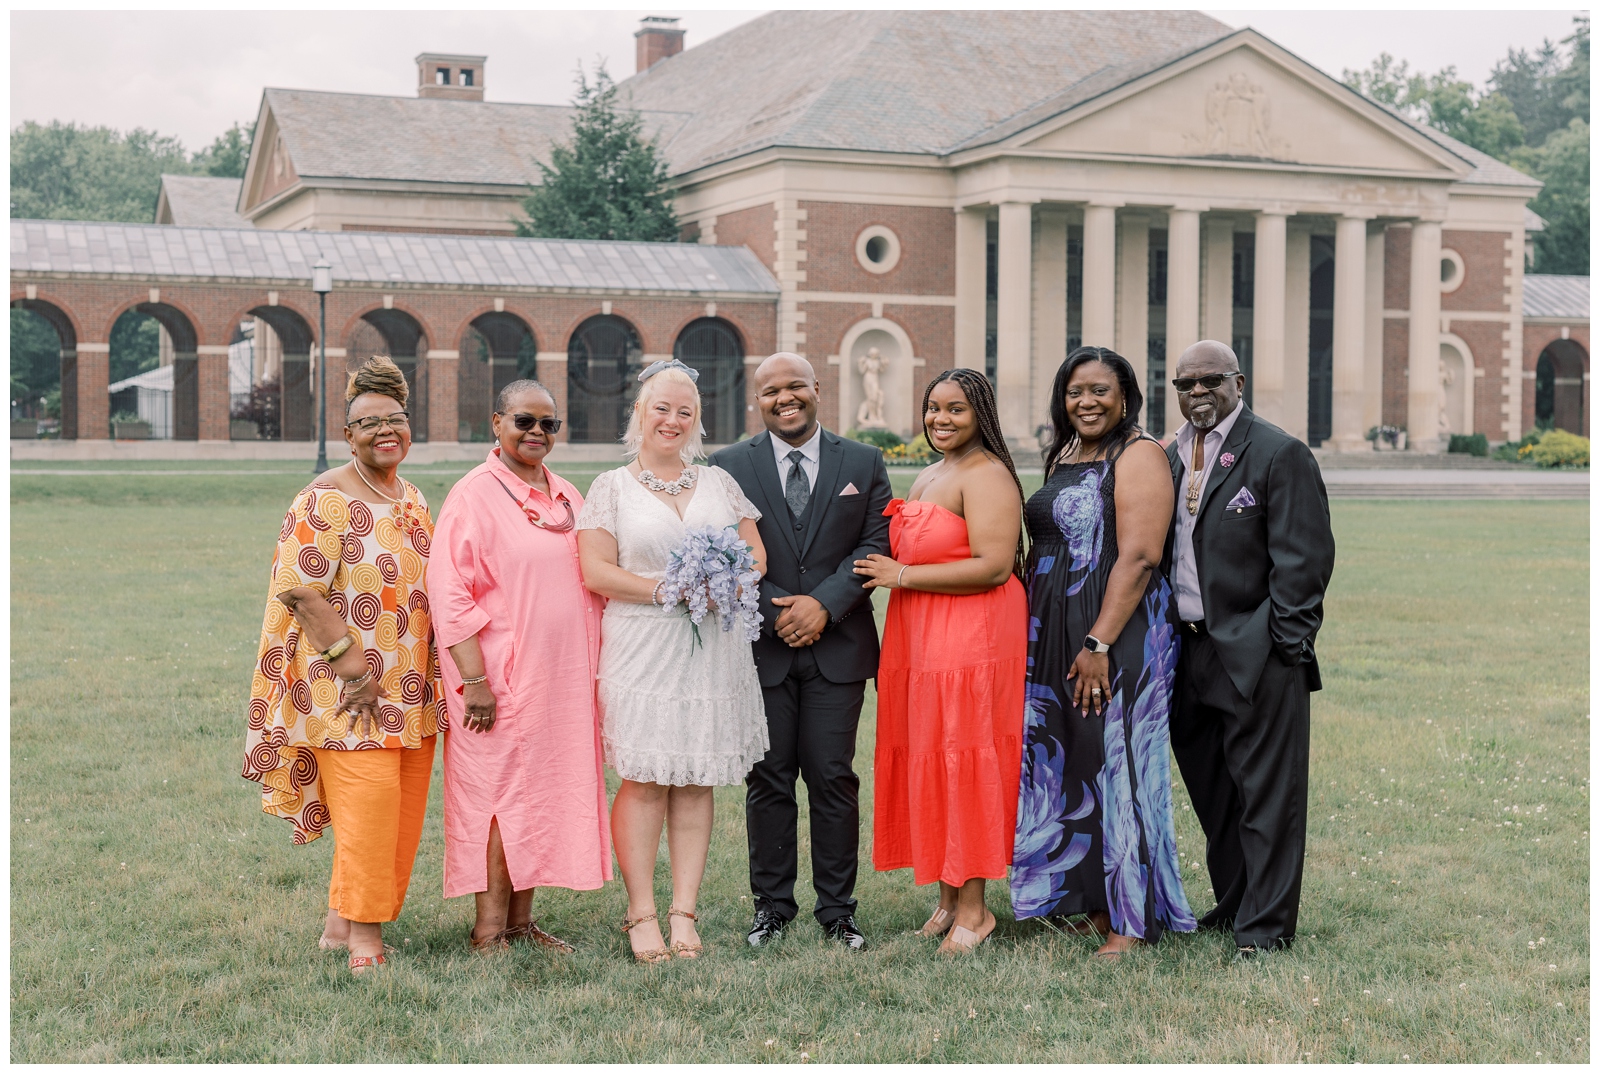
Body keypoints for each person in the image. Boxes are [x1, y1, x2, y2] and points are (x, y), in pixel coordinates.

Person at [243, 355, 445, 976]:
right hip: (347, 690)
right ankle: (364, 941)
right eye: (369, 423)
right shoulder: (324, 500)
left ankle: (341, 924)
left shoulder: (410, 497)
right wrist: (354, 669)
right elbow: (301, 592)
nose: (386, 431)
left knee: (402, 814)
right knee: (369, 809)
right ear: (348, 435)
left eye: (396, 420)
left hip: (410, 689)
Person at [576, 359, 771, 963]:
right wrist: (668, 588)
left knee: (694, 779)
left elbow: (757, 556)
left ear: (697, 422)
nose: (673, 420)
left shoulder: (718, 485)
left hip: (713, 648)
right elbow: (596, 570)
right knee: (645, 778)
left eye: (685, 411)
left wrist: (726, 577)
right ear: (639, 412)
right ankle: (641, 913)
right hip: (643, 646)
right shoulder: (611, 486)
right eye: (662, 408)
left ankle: (684, 912)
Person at [1009, 347, 1196, 958]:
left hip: (1114, 631)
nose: (1086, 403)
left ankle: (1133, 917)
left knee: (1119, 765)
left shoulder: (1139, 456)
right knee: (1074, 763)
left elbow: (1139, 556)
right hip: (1053, 632)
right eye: (1074, 392)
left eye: (1099, 391)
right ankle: (1091, 901)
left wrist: (1099, 643)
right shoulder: (1067, 454)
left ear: (1126, 397)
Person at [710, 353, 892, 952]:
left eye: (794, 387)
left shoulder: (862, 461)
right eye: (769, 392)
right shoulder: (729, 466)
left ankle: (838, 911)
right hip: (764, 647)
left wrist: (823, 606)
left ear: (817, 390)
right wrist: (778, 610)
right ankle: (772, 908)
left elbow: (872, 543)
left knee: (834, 778)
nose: (783, 399)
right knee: (768, 779)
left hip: (839, 645)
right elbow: (723, 552)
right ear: (756, 401)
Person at [1162, 339, 1335, 959]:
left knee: (1267, 795)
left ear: (1238, 381)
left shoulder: (1279, 452)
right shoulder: (1168, 455)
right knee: (1215, 793)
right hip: (1185, 652)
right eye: (1185, 383)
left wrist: (1283, 646)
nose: (1197, 392)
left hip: (1256, 652)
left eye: (1210, 380)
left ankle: (1265, 930)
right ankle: (1234, 902)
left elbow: (1305, 560)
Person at [427, 379, 610, 954]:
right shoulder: (473, 496)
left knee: (545, 794)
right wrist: (474, 680)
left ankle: (521, 922)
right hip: (496, 680)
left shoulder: (566, 495)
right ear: (497, 424)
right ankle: (487, 931)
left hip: (562, 681)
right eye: (524, 422)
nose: (536, 433)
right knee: (499, 801)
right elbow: (449, 593)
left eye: (548, 424)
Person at [854, 367, 1027, 955]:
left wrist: (900, 575)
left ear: (981, 413)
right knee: (935, 752)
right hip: (921, 636)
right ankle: (949, 898)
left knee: (965, 758)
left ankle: (976, 911)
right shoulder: (933, 472)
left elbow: (995, 565)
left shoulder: (986, 475)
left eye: (956, 409)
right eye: (933, 408)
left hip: (971, 638)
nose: (941, 419)